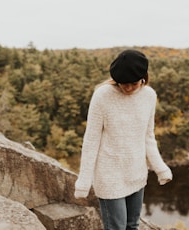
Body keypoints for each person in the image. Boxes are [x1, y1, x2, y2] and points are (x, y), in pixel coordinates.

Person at [74, 49, 173, 230]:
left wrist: (160, 168)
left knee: (132, 226)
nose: (127, 88)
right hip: (109, 174)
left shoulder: (149, 96)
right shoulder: (102, 95)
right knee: (116, 228)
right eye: (122, 84)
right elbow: (91, 140)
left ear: (143, 77)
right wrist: (84, 180)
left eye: (133, 84)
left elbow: (148, 136)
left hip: (136, 172)